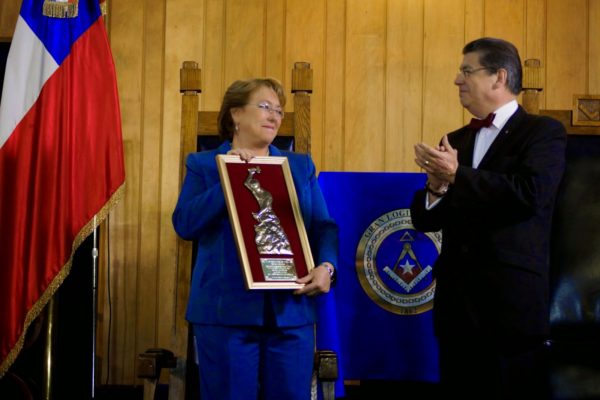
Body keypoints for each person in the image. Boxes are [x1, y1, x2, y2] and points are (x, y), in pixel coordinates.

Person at [410, 37, 566, 399]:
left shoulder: (543, 133)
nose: (457, 80)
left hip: (511, 307)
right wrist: (435, 188)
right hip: (456, 307)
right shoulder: (455, 140)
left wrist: (457, 177)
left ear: (498, 77)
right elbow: (426, 222)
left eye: (467, 71)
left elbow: (531, 195)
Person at [172, 77, 338, 400]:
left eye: (278, 110)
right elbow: (185, 224)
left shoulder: (300, 166)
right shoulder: (204, 165)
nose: (274, 116)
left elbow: (324, 227)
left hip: (291, 312)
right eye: (264, 107)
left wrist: (327, 267)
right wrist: (230, 179)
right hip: (225, 314)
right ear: (235, 114)